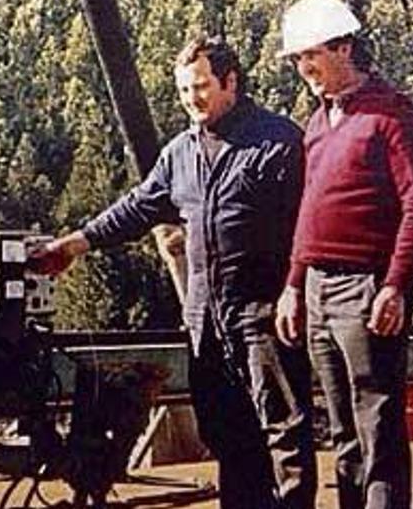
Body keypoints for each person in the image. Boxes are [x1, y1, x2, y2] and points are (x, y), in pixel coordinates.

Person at [30, 36, 315, 509]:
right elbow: (138, 207)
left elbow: (310, 224)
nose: (191, 100)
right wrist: (75, 244)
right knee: (226, 433)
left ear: (231, 82)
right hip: (206, 321)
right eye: (184, 90)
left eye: (201, 87)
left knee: (285, 432)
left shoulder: (278, 142)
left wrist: (296, 290)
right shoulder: (180, 153)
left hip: (263, 314)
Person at [274, 0, 413, 509]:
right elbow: (309, 210)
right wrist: (294, 285)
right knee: (343, 431)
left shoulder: (392, 116)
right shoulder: (318, 123)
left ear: (345, 47)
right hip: (319, 291)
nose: (304, 68)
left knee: (378, 429)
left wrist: (394, 284)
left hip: (366, 288)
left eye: (313, 55)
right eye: (298, 58)